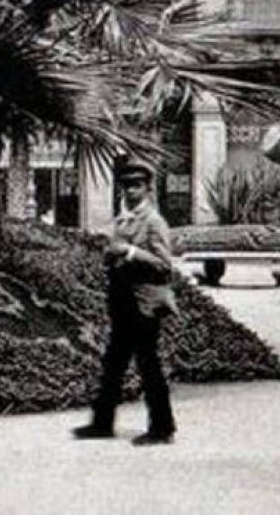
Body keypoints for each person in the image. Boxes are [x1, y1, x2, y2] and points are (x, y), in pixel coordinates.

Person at [73, 158, 177, 445]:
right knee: (113, 364)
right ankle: (102, 423)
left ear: (148, 188)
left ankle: (162, 428)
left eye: (137, 185)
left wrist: (130, 252)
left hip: (144, 304)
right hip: (122, 302)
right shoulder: (122, 220)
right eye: (127, 186)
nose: (131, 191)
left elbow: (164, 265)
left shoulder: (154, 222)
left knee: (148, 365)